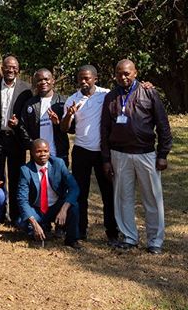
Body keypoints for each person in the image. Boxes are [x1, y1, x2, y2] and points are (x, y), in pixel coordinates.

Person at [100, 59, 172, 254]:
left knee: (152, 199)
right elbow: (104, 129)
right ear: (115, 75)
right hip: (119, 155)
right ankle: (129, 237)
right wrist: (106, 159)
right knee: (123, 198)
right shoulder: (111, 97)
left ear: (135, 73)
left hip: (145, 154)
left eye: (127, 73)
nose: (123, 77)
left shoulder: (149, 92)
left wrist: (163, 153)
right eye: (119, 73)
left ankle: (155, 241)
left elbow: (163, 125)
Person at [60, 65, 119, 244]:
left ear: (95, 78)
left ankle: (112, 232)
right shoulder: (72, 99)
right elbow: (64, 129)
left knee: (108, 193)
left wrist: (144, 85)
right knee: (80, 193)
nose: (84, 82)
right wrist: (69, 116)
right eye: (80, 79)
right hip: (81, 151)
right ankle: (80, 229)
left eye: (87, 78)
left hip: (102, 152)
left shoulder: (106, 94)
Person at [0, 55, 33, 224]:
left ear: (18, 69)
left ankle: (16, 216)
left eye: (14, 67)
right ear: (2, 68)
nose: (10, 70)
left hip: (16, 140)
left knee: (17, 177)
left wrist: (18, 125)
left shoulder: (26, 89)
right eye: (7, 67)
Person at [17, 139, 82, 249]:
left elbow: (74, 188)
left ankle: (72, 240)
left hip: (55, 207)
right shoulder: (25, 170)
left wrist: (63, 210)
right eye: (39, 151)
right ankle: (40, 230)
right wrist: (34, 223)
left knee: (74, 206)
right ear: (32, 153)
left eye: (46, 151)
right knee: (21, 222)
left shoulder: (58, 163)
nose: (43, 154)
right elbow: (22, 199)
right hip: (37, 209)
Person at [18, 68, 69, 165]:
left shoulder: (63, 102)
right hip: (38, 156)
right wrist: (32, 144)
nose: (43, 82)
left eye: (46, 79)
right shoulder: (30, 104)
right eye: (39, 80)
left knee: (58, 180)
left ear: (53, 81)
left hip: (59, 154)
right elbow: (23, 126)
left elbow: (70, 129)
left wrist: (58, 123)